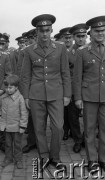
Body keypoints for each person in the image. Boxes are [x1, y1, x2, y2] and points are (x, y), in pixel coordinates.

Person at [21, 14, 71, 170]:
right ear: (36, 31)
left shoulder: (61, 48)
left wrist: (67, 94)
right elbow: (25, 75)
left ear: (51, 30)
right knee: (38, 128)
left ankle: (55, 157)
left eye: (47, 30)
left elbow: (65, 73)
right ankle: (43, 156)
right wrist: (26, 96)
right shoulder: (29, 51)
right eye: (41, 31)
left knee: (58, 127)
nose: (44, 34)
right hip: (36, 95)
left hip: (56, 94)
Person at [73, 16, 105, 172]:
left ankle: (103, 159)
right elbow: (77, 77)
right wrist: (78, 98)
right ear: (90, 32)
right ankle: (92, 159)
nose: (100, 33)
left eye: (103, 31)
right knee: (90, 129)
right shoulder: (82, 52)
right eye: (97, 31)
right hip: (89, 96)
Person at [0, 74, 28, 169]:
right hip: (6, 126)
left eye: (11, 87)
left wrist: (23, 126)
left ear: (16, 88)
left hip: (17, 127)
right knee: (8, 144)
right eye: (6, 87)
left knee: (18, 144)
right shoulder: (2, 97)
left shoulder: (20, 98)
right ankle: (8, 158)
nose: (8, 89)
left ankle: (18, 159)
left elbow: (24, 113)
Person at [67, 23, 89, 153]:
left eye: (83, 36)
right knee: (73, 117)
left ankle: (87, 139)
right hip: (73, 89)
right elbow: (66, 73)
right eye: (78, 36)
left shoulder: (91, 50)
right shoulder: (68, 53)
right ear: (74, 37)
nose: (81, 39)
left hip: (88, 89)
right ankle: (78, 140)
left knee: (89, 117)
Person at [59, 27, 74, 141]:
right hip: (61, 86)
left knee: (73, 113)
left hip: (74, 86)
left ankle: (74, 133)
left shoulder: (78, 51)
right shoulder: (59, 50)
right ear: (62, 38)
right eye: (65, 38)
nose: (67, 40)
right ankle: (65, 130)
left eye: (69, 37)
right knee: (64, 112)